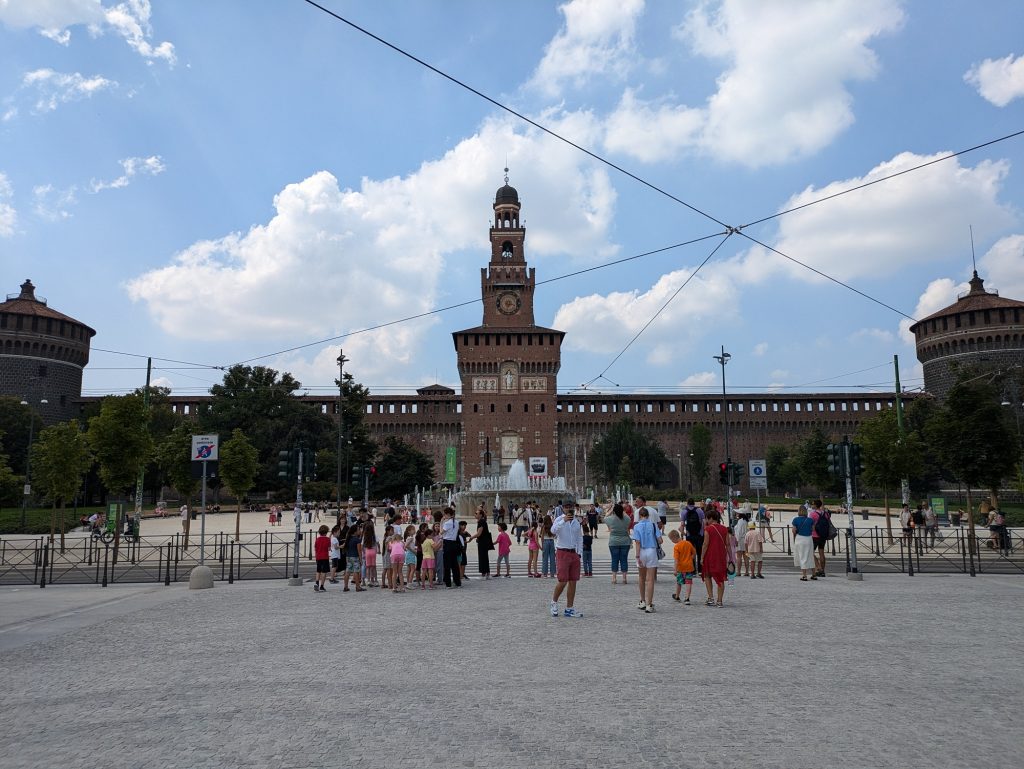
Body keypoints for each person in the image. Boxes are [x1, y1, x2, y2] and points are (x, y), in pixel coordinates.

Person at [550, 502, 584, 618]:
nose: (569, 509)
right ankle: (554, 602)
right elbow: (553, 531)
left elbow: (579, 537)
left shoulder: (576, 522)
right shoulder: (559, 519)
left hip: (573, 553)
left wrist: (579, 553)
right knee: (562, 581)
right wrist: (563, 520)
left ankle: (569, 608)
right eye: (566, 507)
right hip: (562, 551)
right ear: (563, 508)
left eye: (570, 507)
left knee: (573, 581)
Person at [631, 507, 663, 614]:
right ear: (648, 515)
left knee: (641, 577)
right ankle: (650, 604)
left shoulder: (636, 527)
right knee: (650, 579)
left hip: (642, 551)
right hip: (652, 551)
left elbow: (637, 542)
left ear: (640, 516)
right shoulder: (653, 525)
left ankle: (642, 601)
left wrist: (637, 556)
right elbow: (660, 540)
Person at [701, 509, 731, 607]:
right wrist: (730, 557)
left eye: (706, 518)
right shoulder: (724, 529)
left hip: (710, 556)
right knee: (720, 578)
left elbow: (705, 544)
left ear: (710, 518)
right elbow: (728, 544)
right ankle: (719, 601)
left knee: (707, 576)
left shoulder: (708, 529)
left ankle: (711, 598)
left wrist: (702, 557)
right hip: (721, 556)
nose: (706, 520)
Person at [605, 503, 631, 585]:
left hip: (613, 542)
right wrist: (623, 511)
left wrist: (611, 510)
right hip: (625, 541)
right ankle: (624, 578)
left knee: (614, 559)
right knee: (624, 559)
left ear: (614, 511)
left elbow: (605, 517)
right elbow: (628, 518)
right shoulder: (627, 519)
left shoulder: (611, 519)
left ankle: (614, 578)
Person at [669, 529, 697, 604]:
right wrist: (690, 558)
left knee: (679, 582)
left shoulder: (676, 547)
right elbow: (694, 553)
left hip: (680, 568)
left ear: (674, 538)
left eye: (671, 540)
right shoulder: (688, 543)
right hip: (689, 566)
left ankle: (677, 596)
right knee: (689, 583)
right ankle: (687, 598)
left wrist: (675, 569)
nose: (672, 542)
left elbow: (676, 559)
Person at [679, 498, 705, 572]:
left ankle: (692, 570)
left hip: (689, 535)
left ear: (687, 503)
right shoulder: (699, 511)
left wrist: (683, 533)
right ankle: (700, 570)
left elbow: (682, 524)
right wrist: (703, 532)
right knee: (699, 552)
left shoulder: (684, 512)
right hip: (699, 534)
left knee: (691, 552)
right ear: (694, 503)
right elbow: (704, 522)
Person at [791, 506, 816, 581]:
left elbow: (794, 530)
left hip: (800, 538)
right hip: (809, 539)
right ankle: (813, 574)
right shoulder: (810, 520)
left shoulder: (795, 520)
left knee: (802, 556)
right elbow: (813, 529)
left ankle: (804, 575)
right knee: (810, 556)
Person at [441, 508, 462, 588]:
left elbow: (441, 532)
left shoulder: (447, 523)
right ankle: (457, 582)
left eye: (445, 514)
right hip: (454, 543)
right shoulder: (456, 522)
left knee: (447, 565)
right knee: (455, 564)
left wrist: (441, 522)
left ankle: (448, 583)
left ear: (448, 514)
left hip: (447, 543)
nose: (444, 516)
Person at [809, 500, 830, 577]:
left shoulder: (813, 513)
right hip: (823, 536)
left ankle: (819, 568)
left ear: (816, 505)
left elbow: (810, 523)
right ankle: (823, 571)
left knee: (810, 552)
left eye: (813, 504)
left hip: (815, 535)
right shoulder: (826, 513)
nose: (811, 505)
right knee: (821, 553)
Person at [342, 523, 365, 592]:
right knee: (356, 572)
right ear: (355, 531)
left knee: (348, 571)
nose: (360, 531)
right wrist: (361, 560)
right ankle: (358, 587)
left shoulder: (348, 538)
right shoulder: (357, 540)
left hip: (348, 557)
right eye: (358, 530)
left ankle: (345, 586)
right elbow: (359, 550)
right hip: (355, 557)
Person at [473, 509, 494, 579]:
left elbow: (479, 533)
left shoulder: (481, 521)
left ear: (480, 515)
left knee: (482, 557)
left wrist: (471, 538)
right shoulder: (482, 521)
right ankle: (487, 573)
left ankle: (483, 574)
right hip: (484, 541)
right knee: (485, 557)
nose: (475, 514)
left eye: (476, 513)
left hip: (482, 542)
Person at [313, 525, 331, 592]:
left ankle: (317, 583)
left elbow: (315, 548)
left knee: (318, 570)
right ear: (326, 532)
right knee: (324, 571)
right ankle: (322, 586)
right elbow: (329, 549)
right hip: (325, 557)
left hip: (318, 557)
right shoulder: (328, 539)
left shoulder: (317, 539)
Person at [389, 528, 406, 593]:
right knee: (400, 572)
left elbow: (390, 549)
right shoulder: (402, 542)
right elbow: (404, 548)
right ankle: (402, 588)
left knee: (394, 572)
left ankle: (394, 588)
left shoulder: (392, 542)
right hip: (401, 555)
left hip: (394, 555)